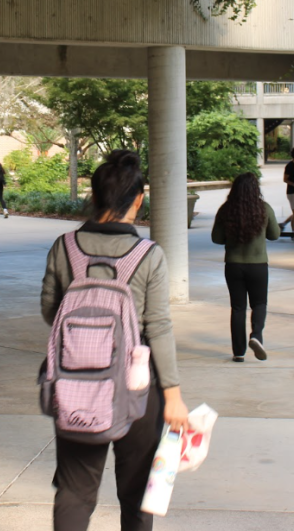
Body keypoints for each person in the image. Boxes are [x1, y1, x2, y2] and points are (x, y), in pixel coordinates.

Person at [41, 150, 188, 531]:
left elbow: (50, 311)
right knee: (138, 493)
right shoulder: (147, 254)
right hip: (138, 389)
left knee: (74, 490)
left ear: (95, 195)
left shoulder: (65, 247)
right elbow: (158, 326)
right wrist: (172, 396)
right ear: (138, 199)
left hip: (73, 386)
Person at [211, 173, 280, 362]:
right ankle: (256, 336)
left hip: (233, 265)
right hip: (258, 265)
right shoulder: (264, 209)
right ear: (256, 189)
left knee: (238, 307)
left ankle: (238, 352)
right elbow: (275, 235)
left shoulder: (226, 210)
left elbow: (216, 238)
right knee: (259, 303)